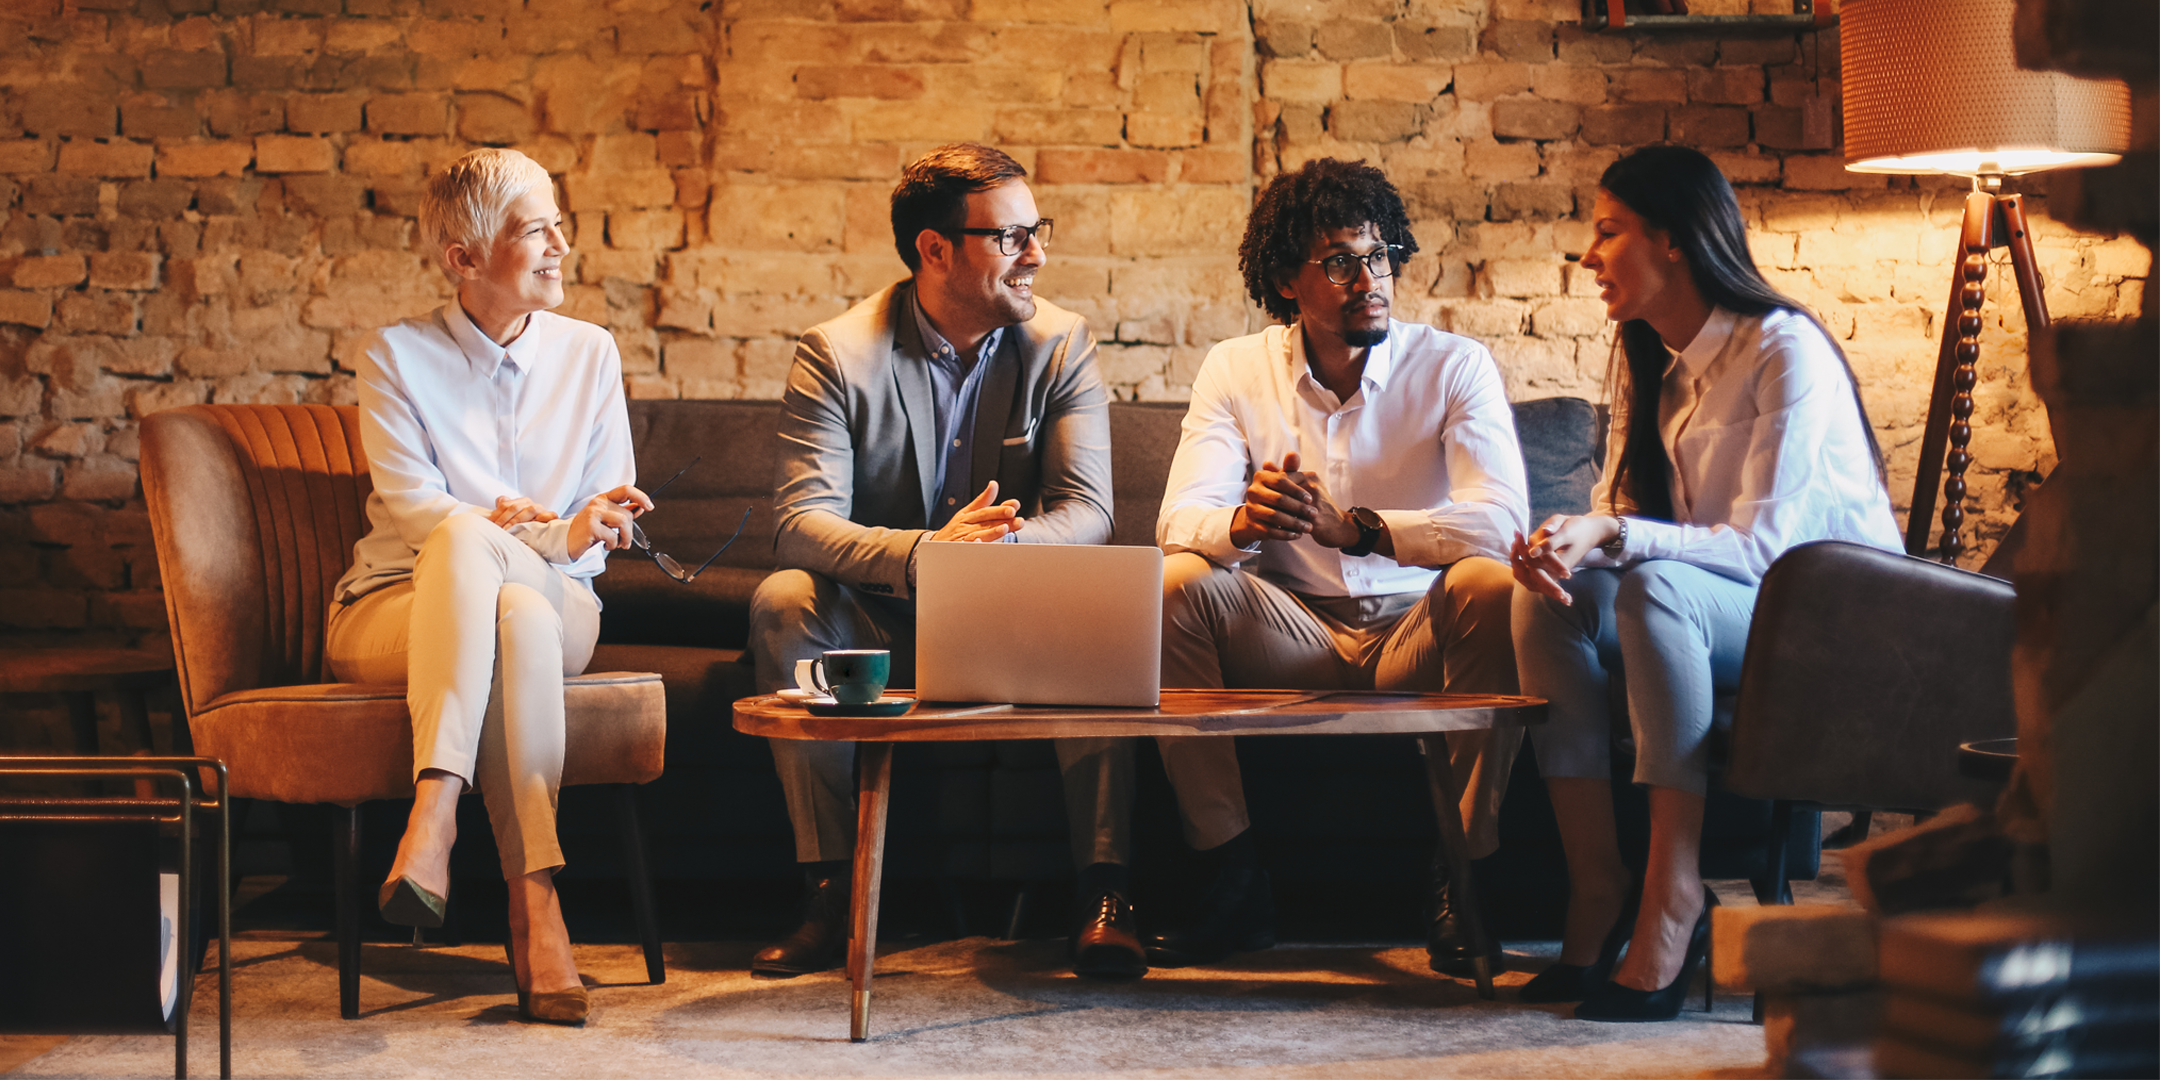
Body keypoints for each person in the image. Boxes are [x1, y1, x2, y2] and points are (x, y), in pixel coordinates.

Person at [1509, 145, 1900, 1021]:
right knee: (1542, 604)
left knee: (1659, 588)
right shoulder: (1654, 361)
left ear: (1674, 239)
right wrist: (1573, 542)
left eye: (1607, 232)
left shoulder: (1783, 349)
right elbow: (1638, 520)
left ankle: (1673, 894)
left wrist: (1616, 533)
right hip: (1724, 616)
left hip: (1830, 623)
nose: (1587, 256)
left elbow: (1765, 553)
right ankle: (1596, 891)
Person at [747, 143, 1144, 980]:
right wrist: (931, 555)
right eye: (1012, 238)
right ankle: (827, 892)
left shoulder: (1060, 343)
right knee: (784, 599)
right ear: (935, 250)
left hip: (1018, 615)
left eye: (1039, 232)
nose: (1037, 254)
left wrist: (987, 557)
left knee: (1105, 601)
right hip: (885, 619)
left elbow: (1089, 513)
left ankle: (1107, 894)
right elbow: (800, 524)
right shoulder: (836, 353)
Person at [1148, 158, 1531, 974]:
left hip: (1414, 628)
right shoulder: (1234, 367)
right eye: (1340, 261)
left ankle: (1466, 877)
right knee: (1176, 582)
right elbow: (1178, 520)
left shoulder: (1453, 365)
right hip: (1294, 632)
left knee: (1491, 583)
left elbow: (1502, 522)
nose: (1369, 279)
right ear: (1288, 279)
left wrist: (1360, 530)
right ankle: (1232, 877)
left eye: (1380, 255)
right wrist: (1243, 523)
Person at [328, 148, 649, 1025]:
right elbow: (418, 518)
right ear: (463, 258)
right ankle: (537, 904)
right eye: (533, 228)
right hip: (395, 607)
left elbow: (599, 526)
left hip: (562, 596)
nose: (560, 244)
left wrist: (552, 533)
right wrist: (545, 528)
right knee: (492, 580)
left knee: (512, 587)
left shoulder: (591, 354)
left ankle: (433, 818)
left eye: (557, 221)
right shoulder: (394, 357)